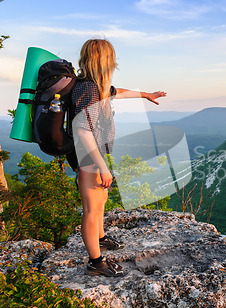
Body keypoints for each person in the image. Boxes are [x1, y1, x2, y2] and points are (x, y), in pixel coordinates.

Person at [68, 38, 166, 277]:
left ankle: (100, 238)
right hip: (88, 157)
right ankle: (96, 263)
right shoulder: (88, 88)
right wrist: (102, 167)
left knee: (100, 200)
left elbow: (117, 92)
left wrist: (145, 94)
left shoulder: (96, 86)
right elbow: (82, 130)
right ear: (104, 60)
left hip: (95, 155)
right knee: (91, 209)